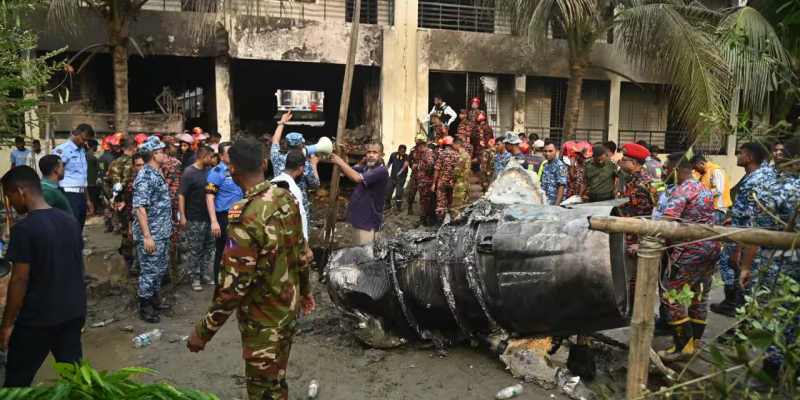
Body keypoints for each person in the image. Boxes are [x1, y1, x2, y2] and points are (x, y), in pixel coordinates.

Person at [187, 137, 314, 400]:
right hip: (287, 312)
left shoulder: (245, 216)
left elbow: (233, 287)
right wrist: (306, 292)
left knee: (263, 390)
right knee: (277, 380)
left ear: (232, 170)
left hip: (263, 323)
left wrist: (203, 332)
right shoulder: (286, 198)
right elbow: (302, 253)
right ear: (265, 164)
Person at [0, 166, 86, 387]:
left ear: (20, 191)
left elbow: (19, 280)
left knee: (17, 383)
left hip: (37, 319)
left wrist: (7, 324)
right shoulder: (70, 222)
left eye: (9, 196)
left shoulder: (25, 229)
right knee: (75, 380)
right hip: (73, 313)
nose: (10, 204)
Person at [740, 137, 799, 378]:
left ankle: (772, 370)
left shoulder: (776, 189)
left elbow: (759, 233)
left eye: (781, 153)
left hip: (777, 264)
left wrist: (745, 265)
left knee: (776, 315)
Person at [654, 157, 721, 361]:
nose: (662, 171)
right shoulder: (704, 189)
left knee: (671, 295)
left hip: (688, 250)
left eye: (665, 168)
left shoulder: (682, 190)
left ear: (676, 169)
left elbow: (667, 222)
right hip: (710, 247)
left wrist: (650, 240)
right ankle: (696, 342)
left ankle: (683, 346)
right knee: (698, 294)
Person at [711, 142, 778, 319]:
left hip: (745, 239)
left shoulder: (754, 180)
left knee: (736, 269)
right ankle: (733, 304)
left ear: (749, 158)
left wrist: (740, 248)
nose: (737, 156)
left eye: (740, 153)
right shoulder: (762, 175)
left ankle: (735, 308)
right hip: (744, 233)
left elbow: (752, 219)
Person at [132, 137, 173, 323]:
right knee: (149, 270)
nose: (165, 154)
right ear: (154, 155)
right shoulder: (145, 176)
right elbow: (140, 207)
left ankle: (155, 300)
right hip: (152, 233)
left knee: (159, 269)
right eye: (162, 151)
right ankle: (145, 306)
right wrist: (147, 236)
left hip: (162, 231)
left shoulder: (157, 173)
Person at [617, 143, 657, 300]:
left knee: (641, 279)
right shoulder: (630, 181)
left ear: (634, 163)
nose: (621, 162)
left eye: (624, 159)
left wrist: (641, 243)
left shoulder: (645, 185)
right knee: (632, 278)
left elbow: (653, 216)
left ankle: (639, 312)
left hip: (640, 240)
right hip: (628, 237)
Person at [329, 143, 390, 244]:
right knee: (358, 250)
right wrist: (343, 154)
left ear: (381, 155)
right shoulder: (366, 168)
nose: (370, 155)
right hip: (360, 219)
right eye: (369, 152)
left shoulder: (381, 171)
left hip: (368, 223)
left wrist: (339, 161)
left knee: (365, 254)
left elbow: (356, 177)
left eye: (375, 152)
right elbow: (349, 170)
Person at [270, 111, 320, 224]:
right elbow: (315, 184)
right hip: (299, 207)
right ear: (301, 145)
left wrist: (281, 123)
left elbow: (275, 140)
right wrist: (314, 164)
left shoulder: (276, 156)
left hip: (279, 204)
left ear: (286, 144)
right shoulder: (304, 164)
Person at [206, 142, 244, 286]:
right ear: (221, 156)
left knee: (237, 249)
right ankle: (219, 284)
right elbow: (210, 197)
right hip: (224, 217)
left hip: (239, 214)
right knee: (222, 251)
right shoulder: (216, 172)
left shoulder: (237, 169)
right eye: (229, 153)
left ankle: (234, 282)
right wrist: (214, 221)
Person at [178, 146, 215, 291]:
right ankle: (195, 277)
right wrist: (182, 216)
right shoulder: (189, 172)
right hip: (194, 217)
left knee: (208, 247)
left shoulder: (210, 171)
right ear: (203, 156)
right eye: (210, 157)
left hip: (209, 217)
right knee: (195, 249)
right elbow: (181, 195)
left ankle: (204, 273)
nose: (212, 160)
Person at [52, 124, 95, 230]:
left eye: (87, 140)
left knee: (79, 228)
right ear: (76, 133)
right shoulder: (62, 150)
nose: (84, 142)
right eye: (83, 139)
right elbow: (54, 174)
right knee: (69, 229)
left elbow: (82, 179)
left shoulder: (82, 151)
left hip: (81, 195)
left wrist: (88, 200)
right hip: (67, 195)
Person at [271, 150, 310, 242]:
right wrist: (305, 243)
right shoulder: (293, 189)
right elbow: (301, 217)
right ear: (300, 168)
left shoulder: (272, 182)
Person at [106, 139, 136, 234]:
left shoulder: (115, 162)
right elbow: (126, 180)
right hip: (129, 197)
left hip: (118, 196)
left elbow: (108, 179)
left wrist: (114, 196)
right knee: (131, 225)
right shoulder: (131, 162)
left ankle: (125, 245)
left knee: (124, 224)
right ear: (133, 148)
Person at [691, 154, 731, 224]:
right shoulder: (704, 173)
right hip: (709, 209)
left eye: (696, 167)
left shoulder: (716, 170)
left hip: (717, 209)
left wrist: (702, 194)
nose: (696, 170)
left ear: (701, 163)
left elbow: (719, 190)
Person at [432, 136, 460, 221]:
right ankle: (452, 221)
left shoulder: (441, 154)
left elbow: (437, 169)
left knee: (441, 202)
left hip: (442, 182)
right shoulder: (457, 155)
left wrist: (434, 183)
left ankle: (440, 221)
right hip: (452, 182)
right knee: (451, 201)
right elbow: (459, 171)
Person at [539, 140, 567, 205]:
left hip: (555, 202)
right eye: (545, 151)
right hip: (546, 201)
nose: (547, 153)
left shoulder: (560, 166)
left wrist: (556, 205)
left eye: (550, 151)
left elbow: (561, 186)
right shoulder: (545, 165)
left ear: (556, 151)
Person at [451, 136, 473, 214]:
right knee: (464, 204)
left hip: (460, 183)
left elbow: (456, 171)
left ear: (456, 144)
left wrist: (452, 179)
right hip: (466, 183)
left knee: (456, 205)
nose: (452, 147)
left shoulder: (461, 156)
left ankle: (455, 223)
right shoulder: (467, 155)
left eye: (453, 145)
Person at [386, 145, 409, 210]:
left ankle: (398, 207)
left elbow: (406, 164)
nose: (402, 152)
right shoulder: (393, 155)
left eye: (404, 151)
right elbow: (389, 163)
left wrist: (400, 171)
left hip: (401, 178)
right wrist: (385, 169)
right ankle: (387, 204)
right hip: (392, 177)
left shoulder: (406, 156)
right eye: (401, 151)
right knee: (388, 191)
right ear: (398, 150)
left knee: (398, 193)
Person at [86, 139, 102, 215]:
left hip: (86, 182)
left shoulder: (84, 155)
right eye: (97, 146)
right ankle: (93, 212)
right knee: (93, 199)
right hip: (93, 183)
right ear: (94, 146)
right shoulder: (94, 157)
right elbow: (100, 169)